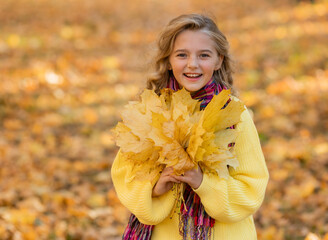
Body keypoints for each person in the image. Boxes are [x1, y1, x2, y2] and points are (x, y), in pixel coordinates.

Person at [111, 13, 269, 240]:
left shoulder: (234, 115)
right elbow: (124, 175)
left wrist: (203, 183)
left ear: (218, 60)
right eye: (182, 55)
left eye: (204, 55)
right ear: (168, 61)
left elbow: (251, 189)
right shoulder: (152, 112)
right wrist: (155, 188)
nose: (192, 64)